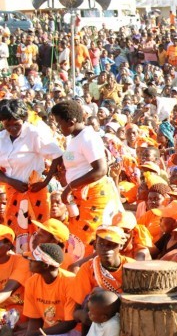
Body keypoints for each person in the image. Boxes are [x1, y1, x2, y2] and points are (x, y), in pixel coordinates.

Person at [51, 100, 117, 256]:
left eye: (60, 124)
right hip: (79, 197)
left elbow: (100, 169)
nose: (59, 129)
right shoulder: (74, 137)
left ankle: (87, 276)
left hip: (93, 197)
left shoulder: (88, 137)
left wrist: (69, 187)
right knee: (76, 240)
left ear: (71, 121)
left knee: (87, 239)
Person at [0, 99, 63, 251]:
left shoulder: (34, 134)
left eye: (16, 124)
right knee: (14, 234)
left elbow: (58, 155)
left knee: (37, 234)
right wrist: (10, 180)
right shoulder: (1, 138)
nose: (12, 128)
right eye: (7, 125)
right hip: (12, 193)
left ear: (24, 119)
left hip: (35, 193)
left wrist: (45, 181)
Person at [23, 243, 77, 336]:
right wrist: (31, 334)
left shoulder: (71, 282)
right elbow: (35, 319)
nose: (29, 261)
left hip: (72, 331)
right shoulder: (31, 282)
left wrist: (37, 334)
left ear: (45, 265)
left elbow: (70, 323)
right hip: (49, 331)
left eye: (33, 259)